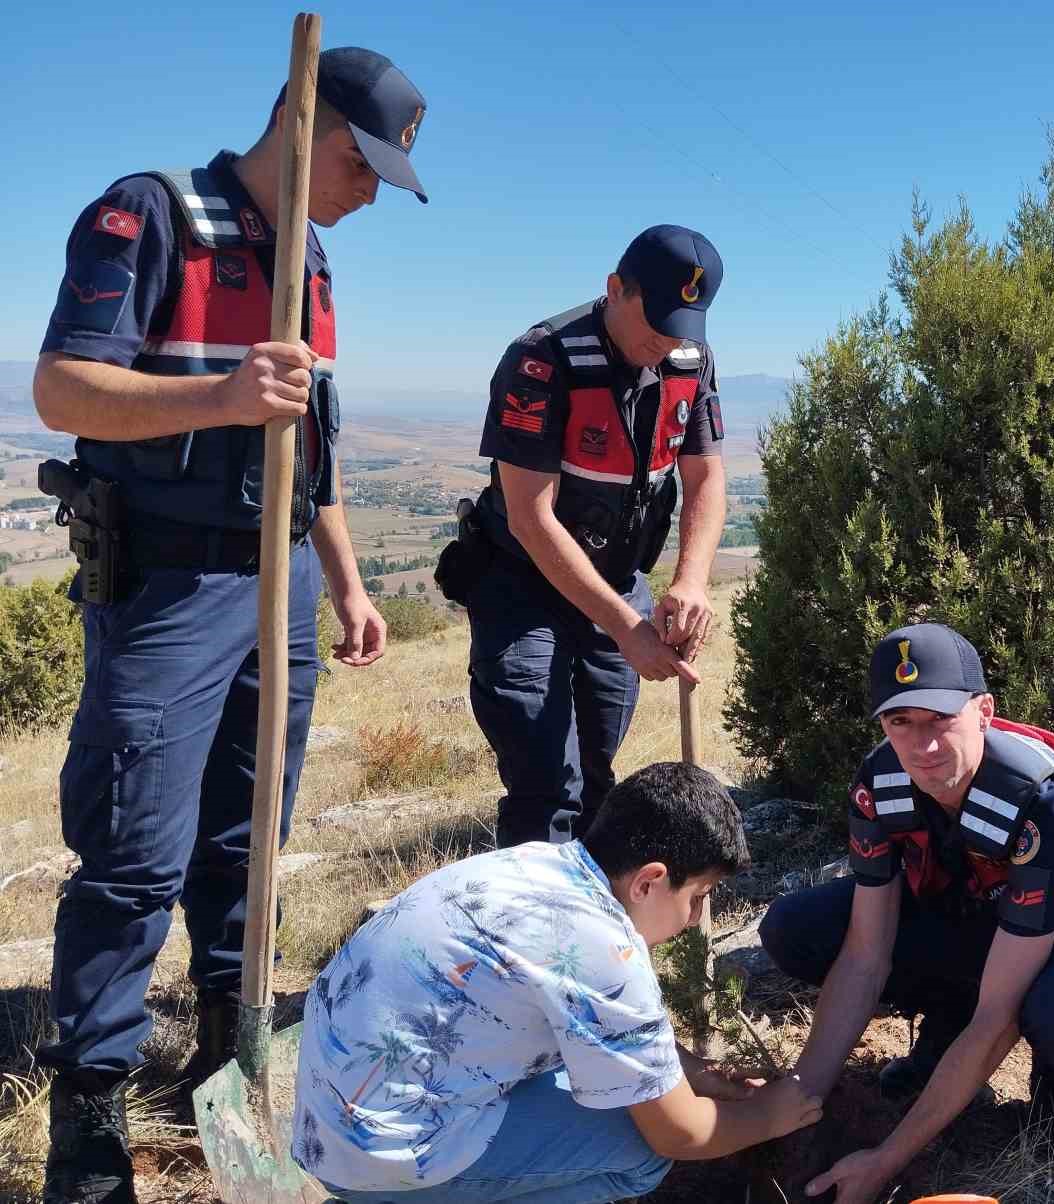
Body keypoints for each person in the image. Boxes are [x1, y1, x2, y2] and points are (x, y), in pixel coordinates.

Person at [29, 47, 429, 1204]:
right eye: (361, 164)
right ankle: (90, 1114)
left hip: (282, 578)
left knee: (249, 832)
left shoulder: (308, 253)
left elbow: (318, 444)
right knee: (133, 852)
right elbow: (61, 387)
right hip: (168, 588)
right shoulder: (152, 213)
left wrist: (347, 582)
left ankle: (228, 1047)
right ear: (301, 126)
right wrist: (218, 395)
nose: (367, 193)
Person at [292, 762, 822, 1202]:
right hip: (381, 1159)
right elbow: (680, 1133)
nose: (692, 919)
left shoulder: (540, 867)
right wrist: (768, 1117)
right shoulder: (604, 949)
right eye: (699, 896)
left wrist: (698, 1076)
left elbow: (608, 1039)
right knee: (641, 1151)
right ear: (650, 881)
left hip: (332, 1127)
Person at [758, 625, 1054, 1204]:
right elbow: (865, 957)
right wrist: (796, 1099)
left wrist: (887, 1158)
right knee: (796, 929)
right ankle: (941, 1027)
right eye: (900, 722)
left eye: (941, 719)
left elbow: (999, 1012)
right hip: (966, 912)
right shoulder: (879, 782)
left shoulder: (1041, 799)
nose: (923, 746)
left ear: (984, 712)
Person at [446, 226, 727, 848]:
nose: (668, 339)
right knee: (545, 781)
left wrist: (690, 578)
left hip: (618, 581)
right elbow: (530, 517)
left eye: (684, 323)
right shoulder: (544, 359)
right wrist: (627, 627)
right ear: (614, 290)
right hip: (522, 588)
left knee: (599, 775)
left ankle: (591, 931)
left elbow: (706, 476)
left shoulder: (689, 358)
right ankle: (534, 932)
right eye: (656, 321)